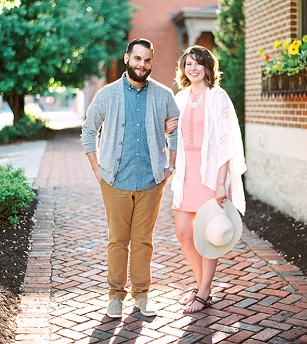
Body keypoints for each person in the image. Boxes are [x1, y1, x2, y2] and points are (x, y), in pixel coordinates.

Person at [81, 38, 180, 319]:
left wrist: (169, 166)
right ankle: (115, 296)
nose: (142, 65)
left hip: (151, 181)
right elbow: (88, 130)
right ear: (127, 58)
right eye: (137, 58)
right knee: (117, 241)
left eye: (147, 60)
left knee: (143, 241)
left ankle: (142, 295)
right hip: (114, 180)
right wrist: (97, 168)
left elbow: (176, 131)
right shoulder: (107, 94)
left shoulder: (163, 95)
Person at [170, 45, 246, 313]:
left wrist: (219, 183)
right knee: (183, 232)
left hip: (209, 172)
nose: (193, 68)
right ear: (183, 68)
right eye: (188, 63)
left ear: (207, 67)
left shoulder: (218, 96)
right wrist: (169, 126)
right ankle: (200, 284)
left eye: (198, 63)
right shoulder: (180, 98)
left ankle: (203, 291)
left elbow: (225, 144)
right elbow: (171, 133)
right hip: (185, 172)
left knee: (207, 234)